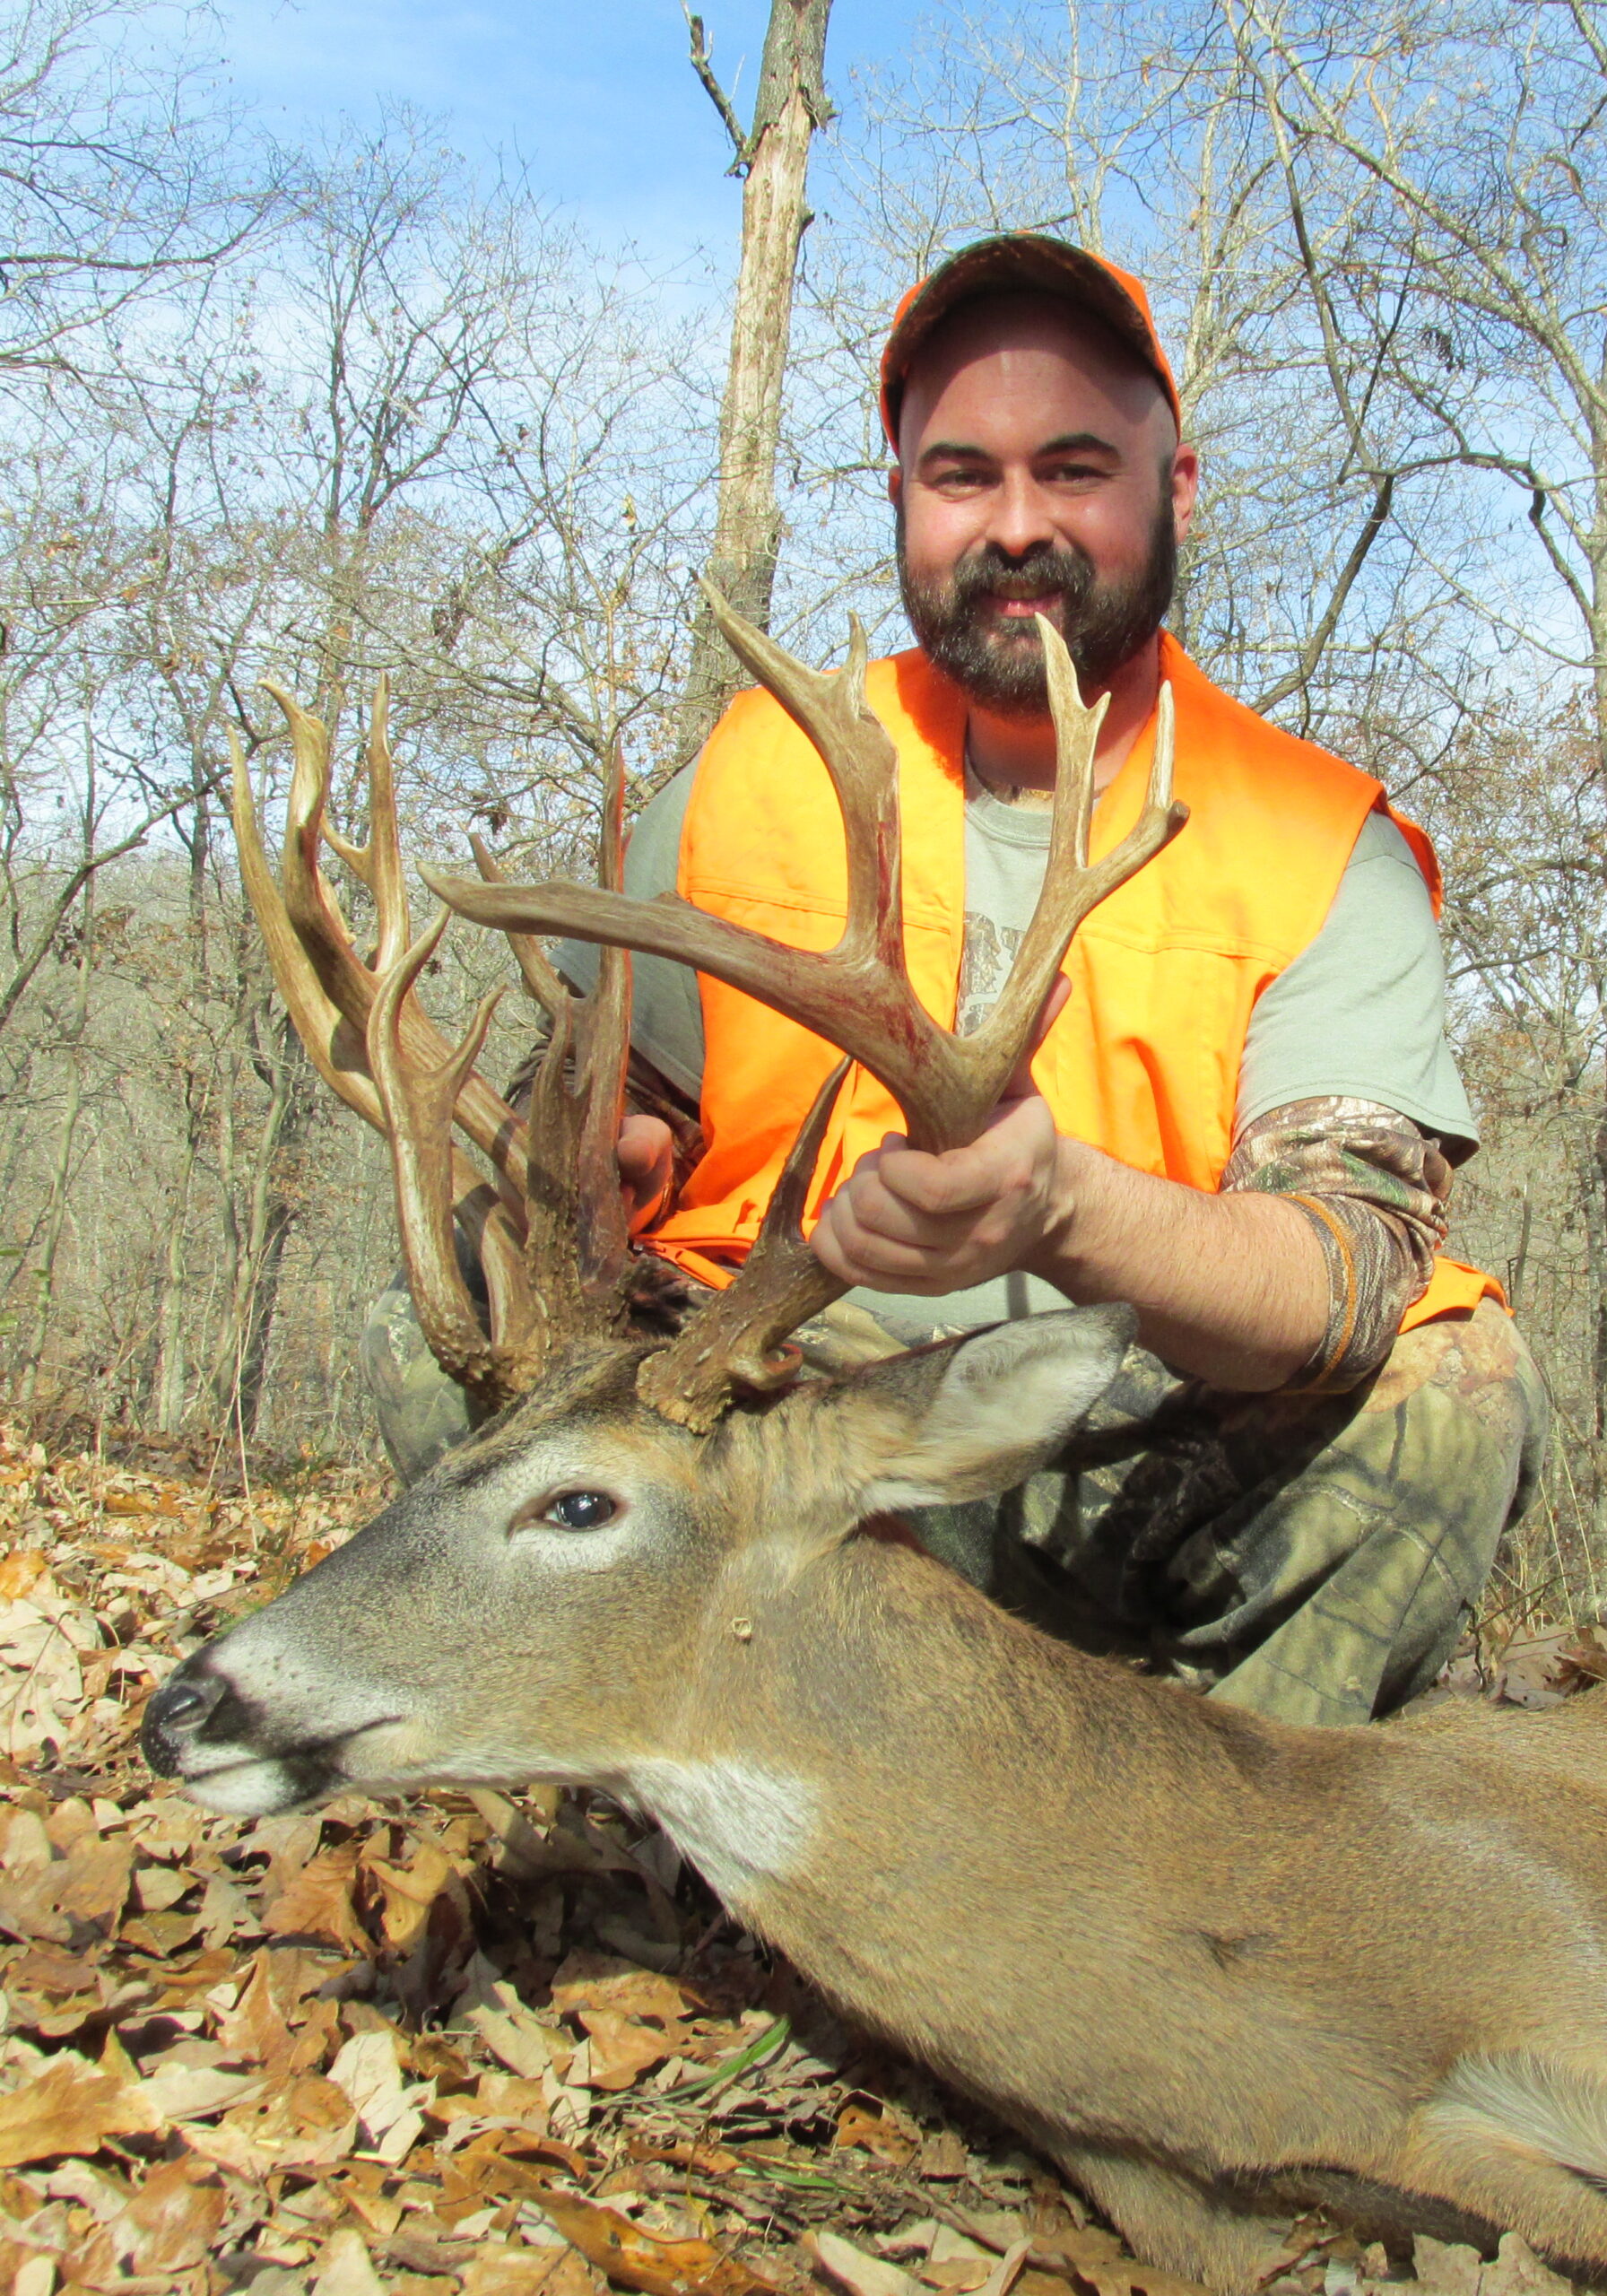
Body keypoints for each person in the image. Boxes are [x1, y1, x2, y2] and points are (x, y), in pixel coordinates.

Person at [364, 234, 1547, 1727]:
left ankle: (1187, 1861)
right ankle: (660, 1778)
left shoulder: (1316, 843)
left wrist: (1064, 1210)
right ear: (904, 500)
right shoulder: (761, 769)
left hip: (1104, 1442)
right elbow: (627, 1111)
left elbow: (1351, 1273)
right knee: (457, 1301)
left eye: (1073, 469)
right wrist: (585, 1166)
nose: (1016, 526)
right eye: (961, 475)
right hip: (768, 1406)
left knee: (1447, 1401)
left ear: (1174, 488)